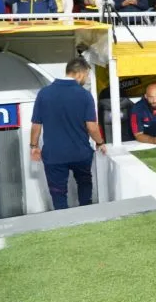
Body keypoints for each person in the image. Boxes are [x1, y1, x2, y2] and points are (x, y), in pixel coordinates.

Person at [29, 57, 107, 210]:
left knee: (58, 195)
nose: (87, 79)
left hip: (54, 155)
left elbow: (36, 125)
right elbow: (92, 127)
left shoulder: (44, 94)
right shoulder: (84, 96)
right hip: (80, 153)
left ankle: (63, 225)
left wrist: (34, 146)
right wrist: (100, 142)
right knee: (84, 186)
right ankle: (87, 217)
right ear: (80, 73)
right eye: (87, 75)